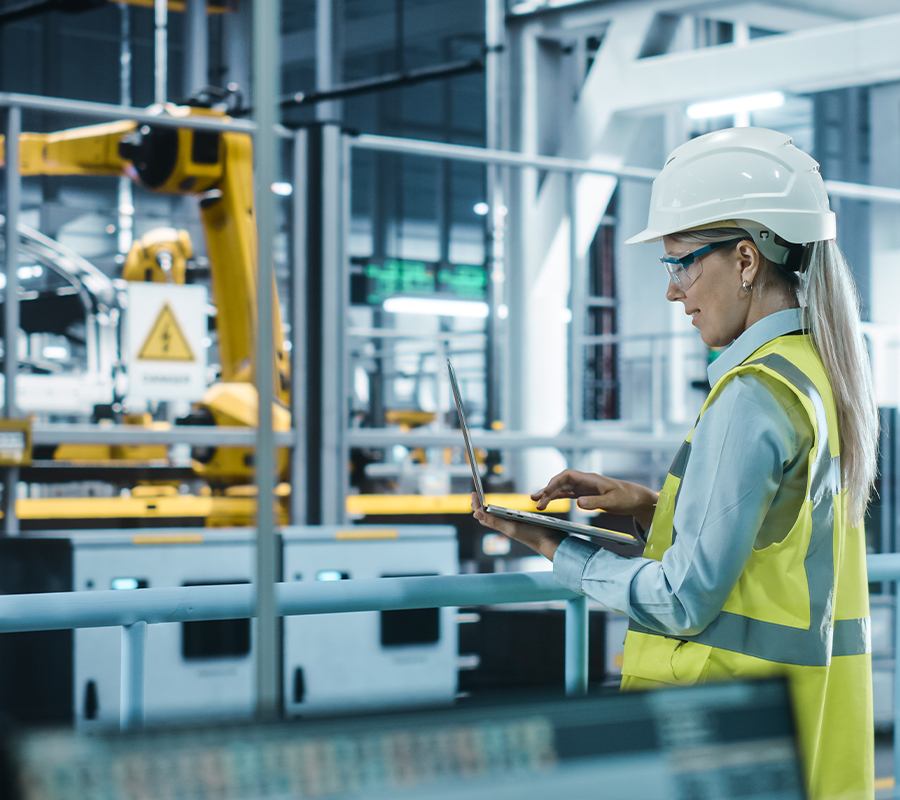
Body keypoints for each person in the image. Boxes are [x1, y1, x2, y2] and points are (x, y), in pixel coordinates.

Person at [472, 127, 876, 800]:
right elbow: (774, 541)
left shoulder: (752, 394)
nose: (672, 291)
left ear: (746, 260)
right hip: (805, 724)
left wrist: (555, 547)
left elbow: (685, 600)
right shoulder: (813, 371)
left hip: (725, 734)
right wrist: (648, 508)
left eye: (680, 264)